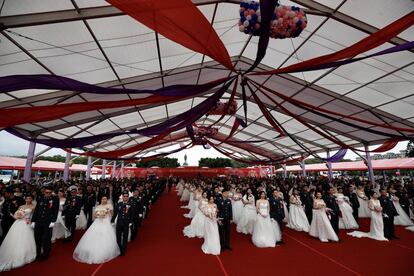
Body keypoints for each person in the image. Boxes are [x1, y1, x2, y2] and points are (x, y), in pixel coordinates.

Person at [73, 196, 120, 264]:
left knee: (105, 235)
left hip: (106, 221)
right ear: (101, 200)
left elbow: (112, 214)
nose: (104, 200)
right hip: (98, 221)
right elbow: (94, 216)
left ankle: (105, 251)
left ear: (107, 200)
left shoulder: (109, 205)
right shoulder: (98, 206)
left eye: (105, 199)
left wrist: (107, 213)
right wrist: (99, 215)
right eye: (103, 199)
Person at [0, 194, 36, 271]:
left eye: (29, 198)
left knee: (25, 239)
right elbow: (16, 214)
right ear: (25, 199)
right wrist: (17, 216)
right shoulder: (21, 206)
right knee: (15, 238)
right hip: (18, 223)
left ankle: (25, 253)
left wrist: (31, 220)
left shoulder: (33, 206)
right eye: (26, 198)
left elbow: (34, 215)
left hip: (27, 223)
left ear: (32, 199)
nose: (28, 200)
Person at [31, 185, 59, 261]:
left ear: (52, 192)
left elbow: (56, 210)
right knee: (37, 238)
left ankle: (45, 254)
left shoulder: (55, 199)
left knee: (46, 238)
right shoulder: (40, 198)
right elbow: (36, 210)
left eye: (49, 192)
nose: (47, 194)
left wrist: (53, 221)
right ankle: (38, 253)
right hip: (38, 221)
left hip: (48, 222)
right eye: (46, 192)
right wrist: (33, 220)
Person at [111, 191, 132, 256]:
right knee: (118, 238)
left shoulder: (130, 204)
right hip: (119, 223)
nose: (125, 197)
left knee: (125, 237)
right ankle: (120, 248)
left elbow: (132, 214)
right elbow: (115, 213)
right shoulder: (119, 204)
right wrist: (112, 220)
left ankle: (123, 251)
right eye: (124, 196)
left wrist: (130, 222)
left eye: (126, 196)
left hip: (126, 223)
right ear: (122, 197)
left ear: (128, 197)